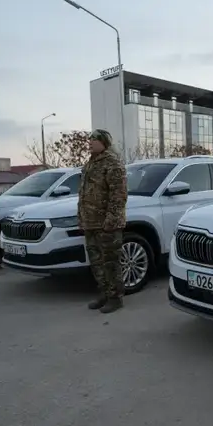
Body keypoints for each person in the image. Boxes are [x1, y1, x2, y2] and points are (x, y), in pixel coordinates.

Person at [78, 129, 128, 313]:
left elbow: (118, 195)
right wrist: (81, 218)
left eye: (94, 139)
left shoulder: (112, 163)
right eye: (89, 139)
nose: (90, 142)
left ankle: (115, 298)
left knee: (110, 263)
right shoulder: (90, 164)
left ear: (104, 142)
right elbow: (83, 194)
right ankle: (104, 293)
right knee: (96, 262)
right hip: (90, 223)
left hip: (107, 225)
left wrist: (111, 221)